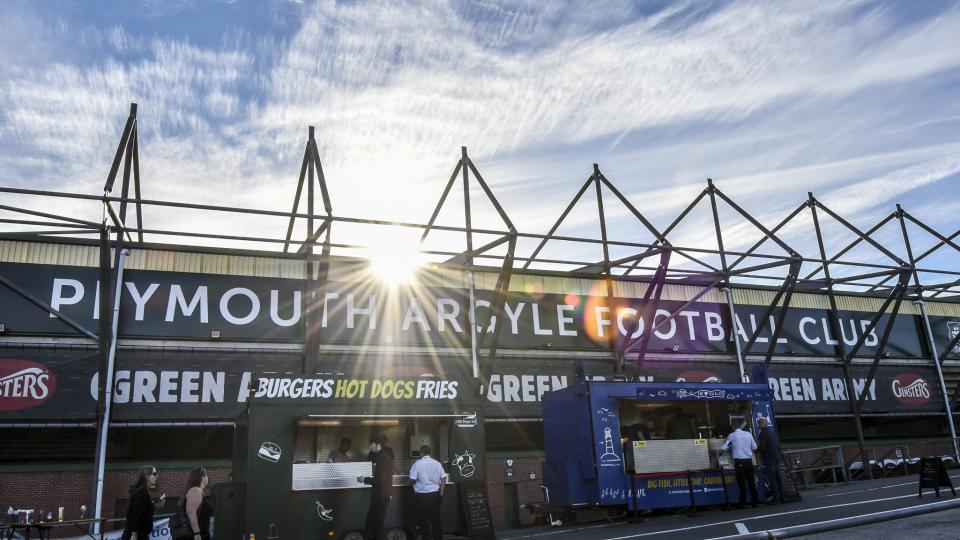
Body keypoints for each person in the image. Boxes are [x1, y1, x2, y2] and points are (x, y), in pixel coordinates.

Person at [358, 434, 396, 540]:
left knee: (376, 524)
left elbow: (381, 479)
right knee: (372, 523)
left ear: (377, 445)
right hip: (379, 495)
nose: (370, 447)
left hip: (381, 496)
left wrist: (364, 479)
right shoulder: (380, 457)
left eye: (371, 445)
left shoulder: (383, 458)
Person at [409, 445, 447, 540]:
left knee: (424, 520)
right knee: (436, 519)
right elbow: (443, 477)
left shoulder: (417, 464)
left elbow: (412, 480)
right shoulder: (437, 463)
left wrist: (409, 481)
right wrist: (441, 492)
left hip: (422, 496)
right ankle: (438, 538)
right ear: (430, 453)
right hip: (436, 495)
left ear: (421, 453)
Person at [121, 465, 165, 540]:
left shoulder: (143, 492)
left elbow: (143, 510)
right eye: (154, 474)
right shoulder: (141, 492)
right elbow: (134, 514)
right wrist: (134, 534)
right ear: (147, 476)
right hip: (137, 535)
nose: (157, 476)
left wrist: (155, 505)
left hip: (141, 533)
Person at [722, 424, 759, 509]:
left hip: (739, 462)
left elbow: (724, 447)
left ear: (733, 428)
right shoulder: (748, 434)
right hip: (749, 461)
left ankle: (743, 503)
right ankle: (755, 501)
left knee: (741, 483)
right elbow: (754, 447)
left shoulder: (731, 435)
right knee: (751, 482)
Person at [757, 417, 786, 504]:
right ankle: (782, 497)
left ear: (763, 424)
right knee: (778, 478)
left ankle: (776, 498)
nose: (759, 424)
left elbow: (762, 447)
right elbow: (777, 445)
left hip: (769, 459)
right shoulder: (772, 432)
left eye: (760, 423)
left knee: (772, 478)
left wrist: (755, 450)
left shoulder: (763, 433)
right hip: (776, 457)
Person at [182, 467, 213, 540]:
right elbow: (191, 512)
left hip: (201, 534)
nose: (207, 478)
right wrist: (197, 533)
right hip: (195, 536)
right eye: (206, 475)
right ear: (202, 478)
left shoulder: (198, 491)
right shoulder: (195, 490)